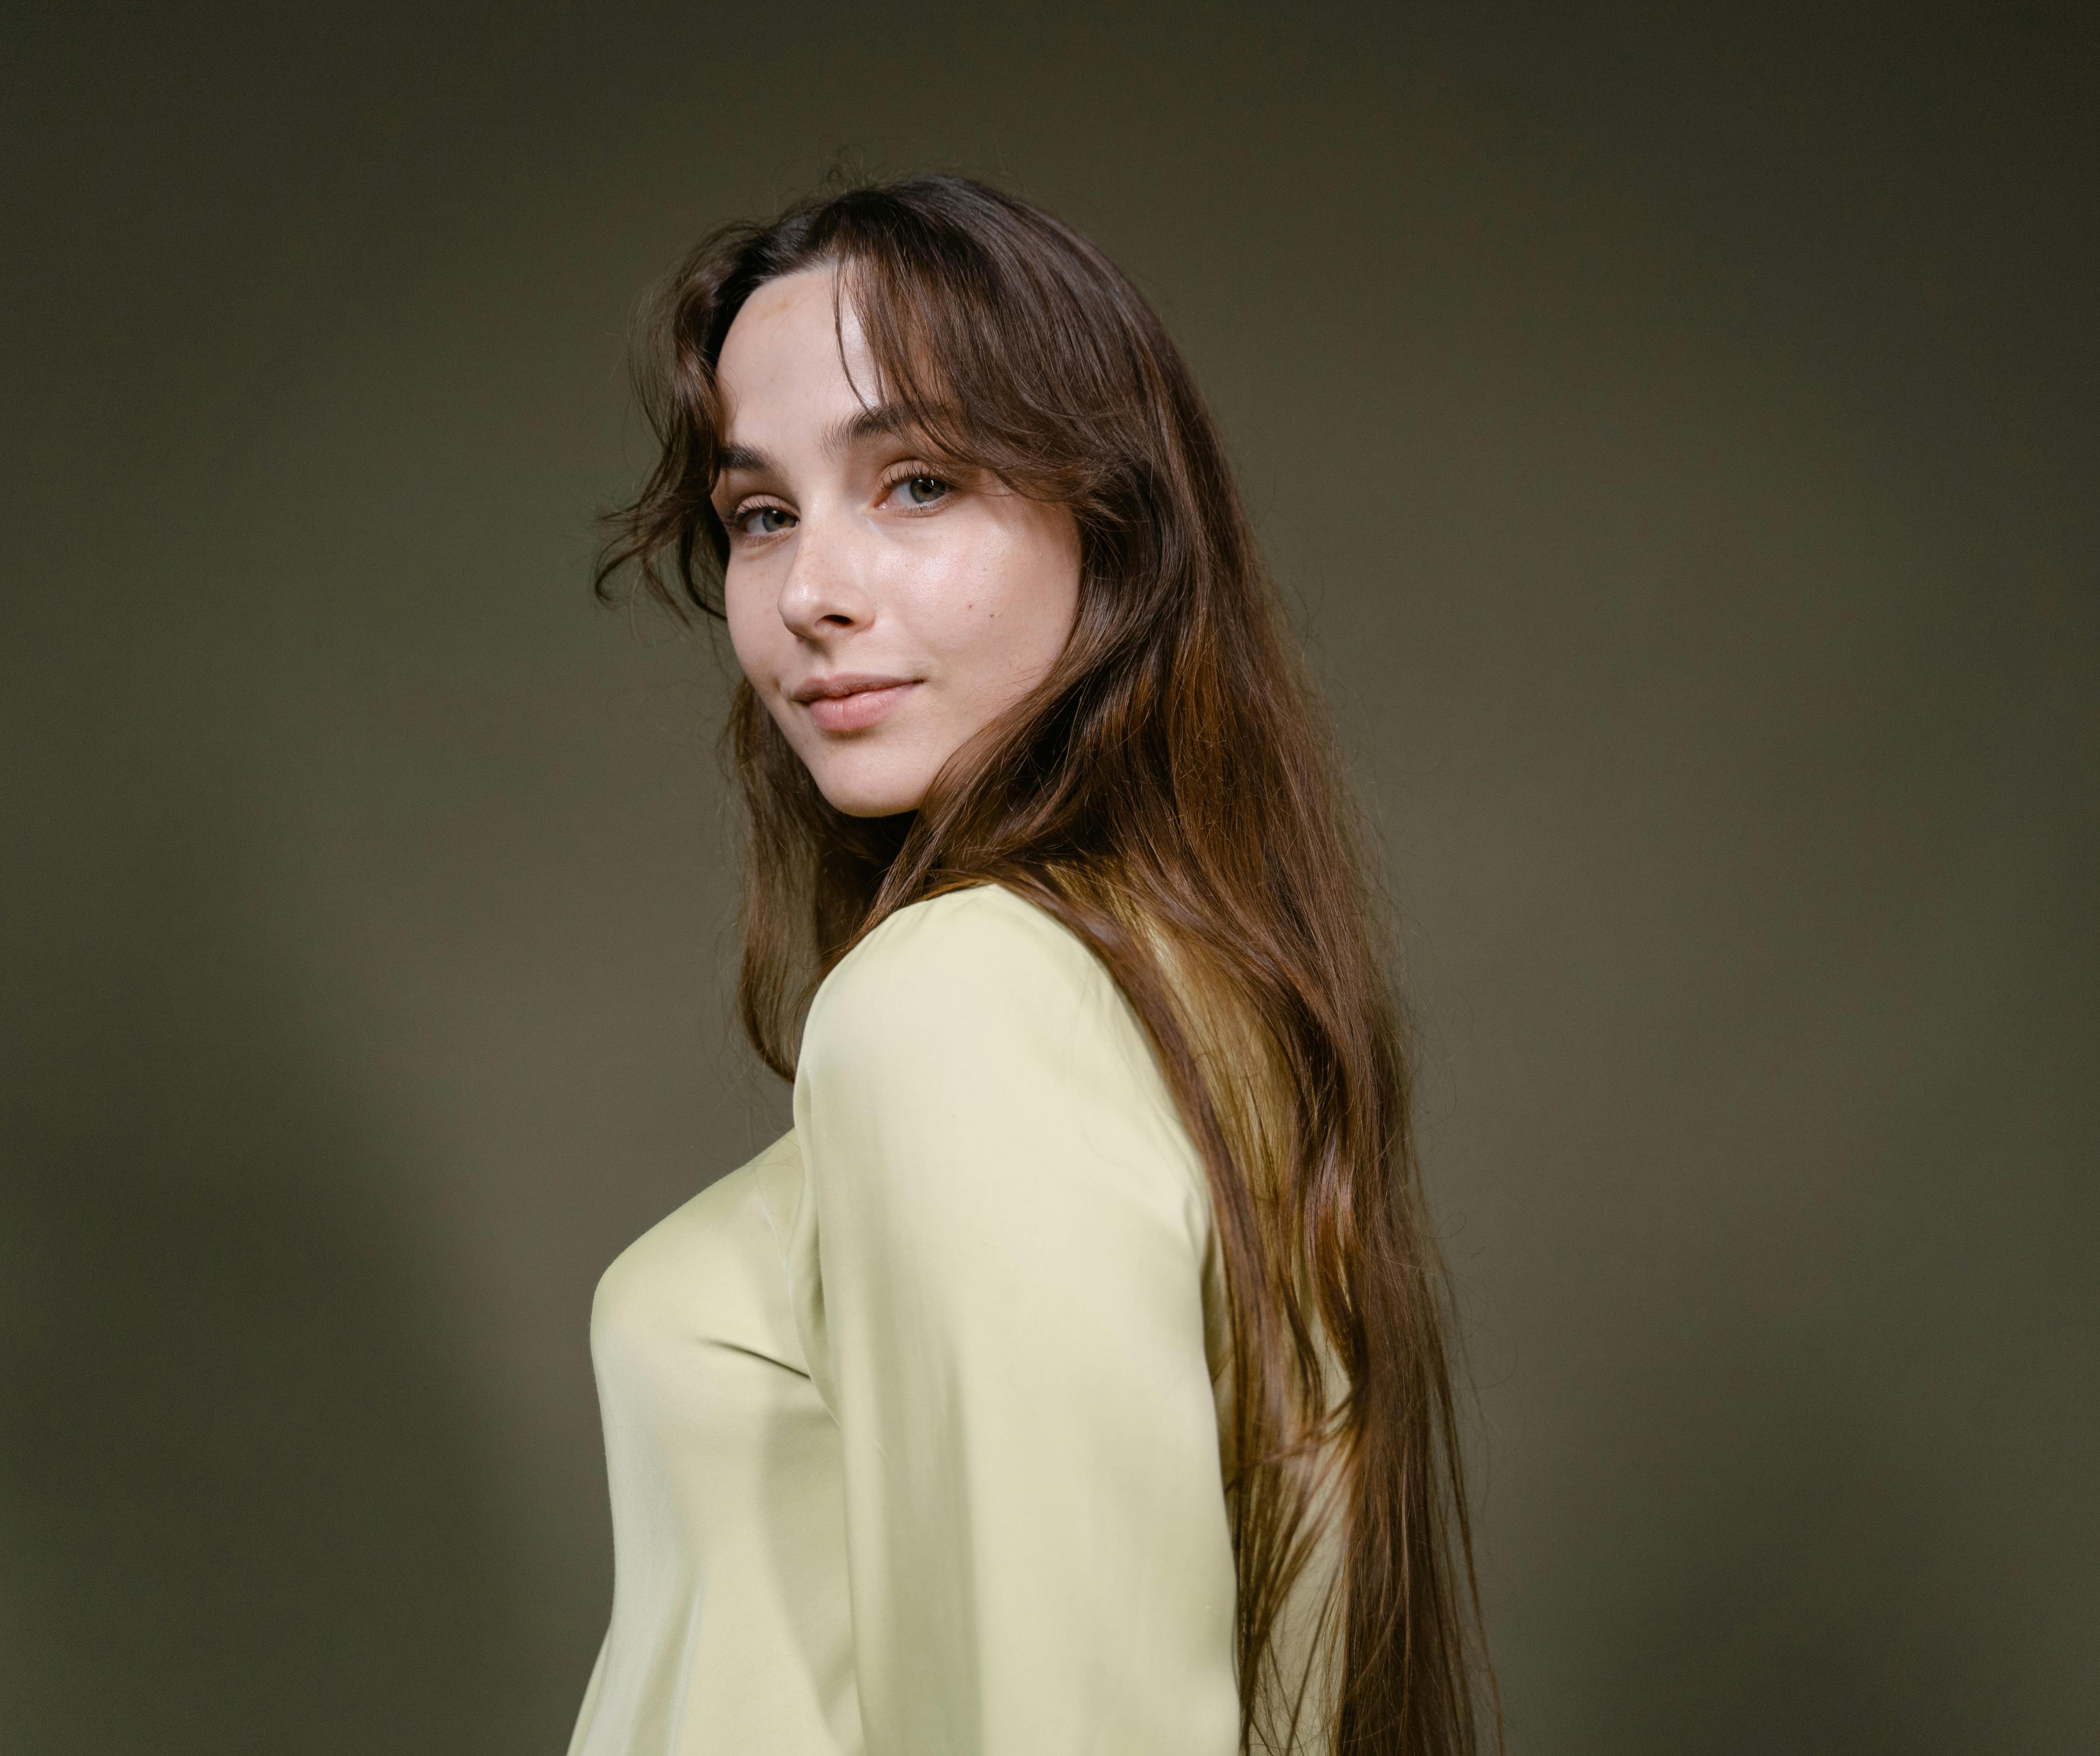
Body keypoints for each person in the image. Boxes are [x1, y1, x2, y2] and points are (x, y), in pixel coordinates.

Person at [569, 175, 1488, 1756]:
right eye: (761, 514)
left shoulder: (959, 1005)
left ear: (1111, 521)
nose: (811, 595)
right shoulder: (1199, 1001)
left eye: (917, 483)